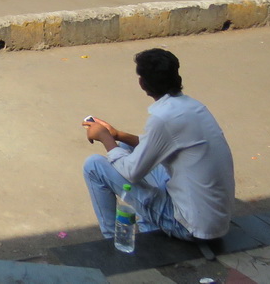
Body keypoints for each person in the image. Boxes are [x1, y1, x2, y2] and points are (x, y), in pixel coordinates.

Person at [82, 48, 234, 243]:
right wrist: (118, 135)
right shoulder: (193, 107)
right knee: (127, 148)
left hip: (190, 226)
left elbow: (132, 172)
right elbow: (151, 146)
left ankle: (111, 241)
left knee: (93, 165)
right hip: (214, 220)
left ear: (142, 82)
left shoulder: (163, 119)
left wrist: (105, 137)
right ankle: (150, 226)